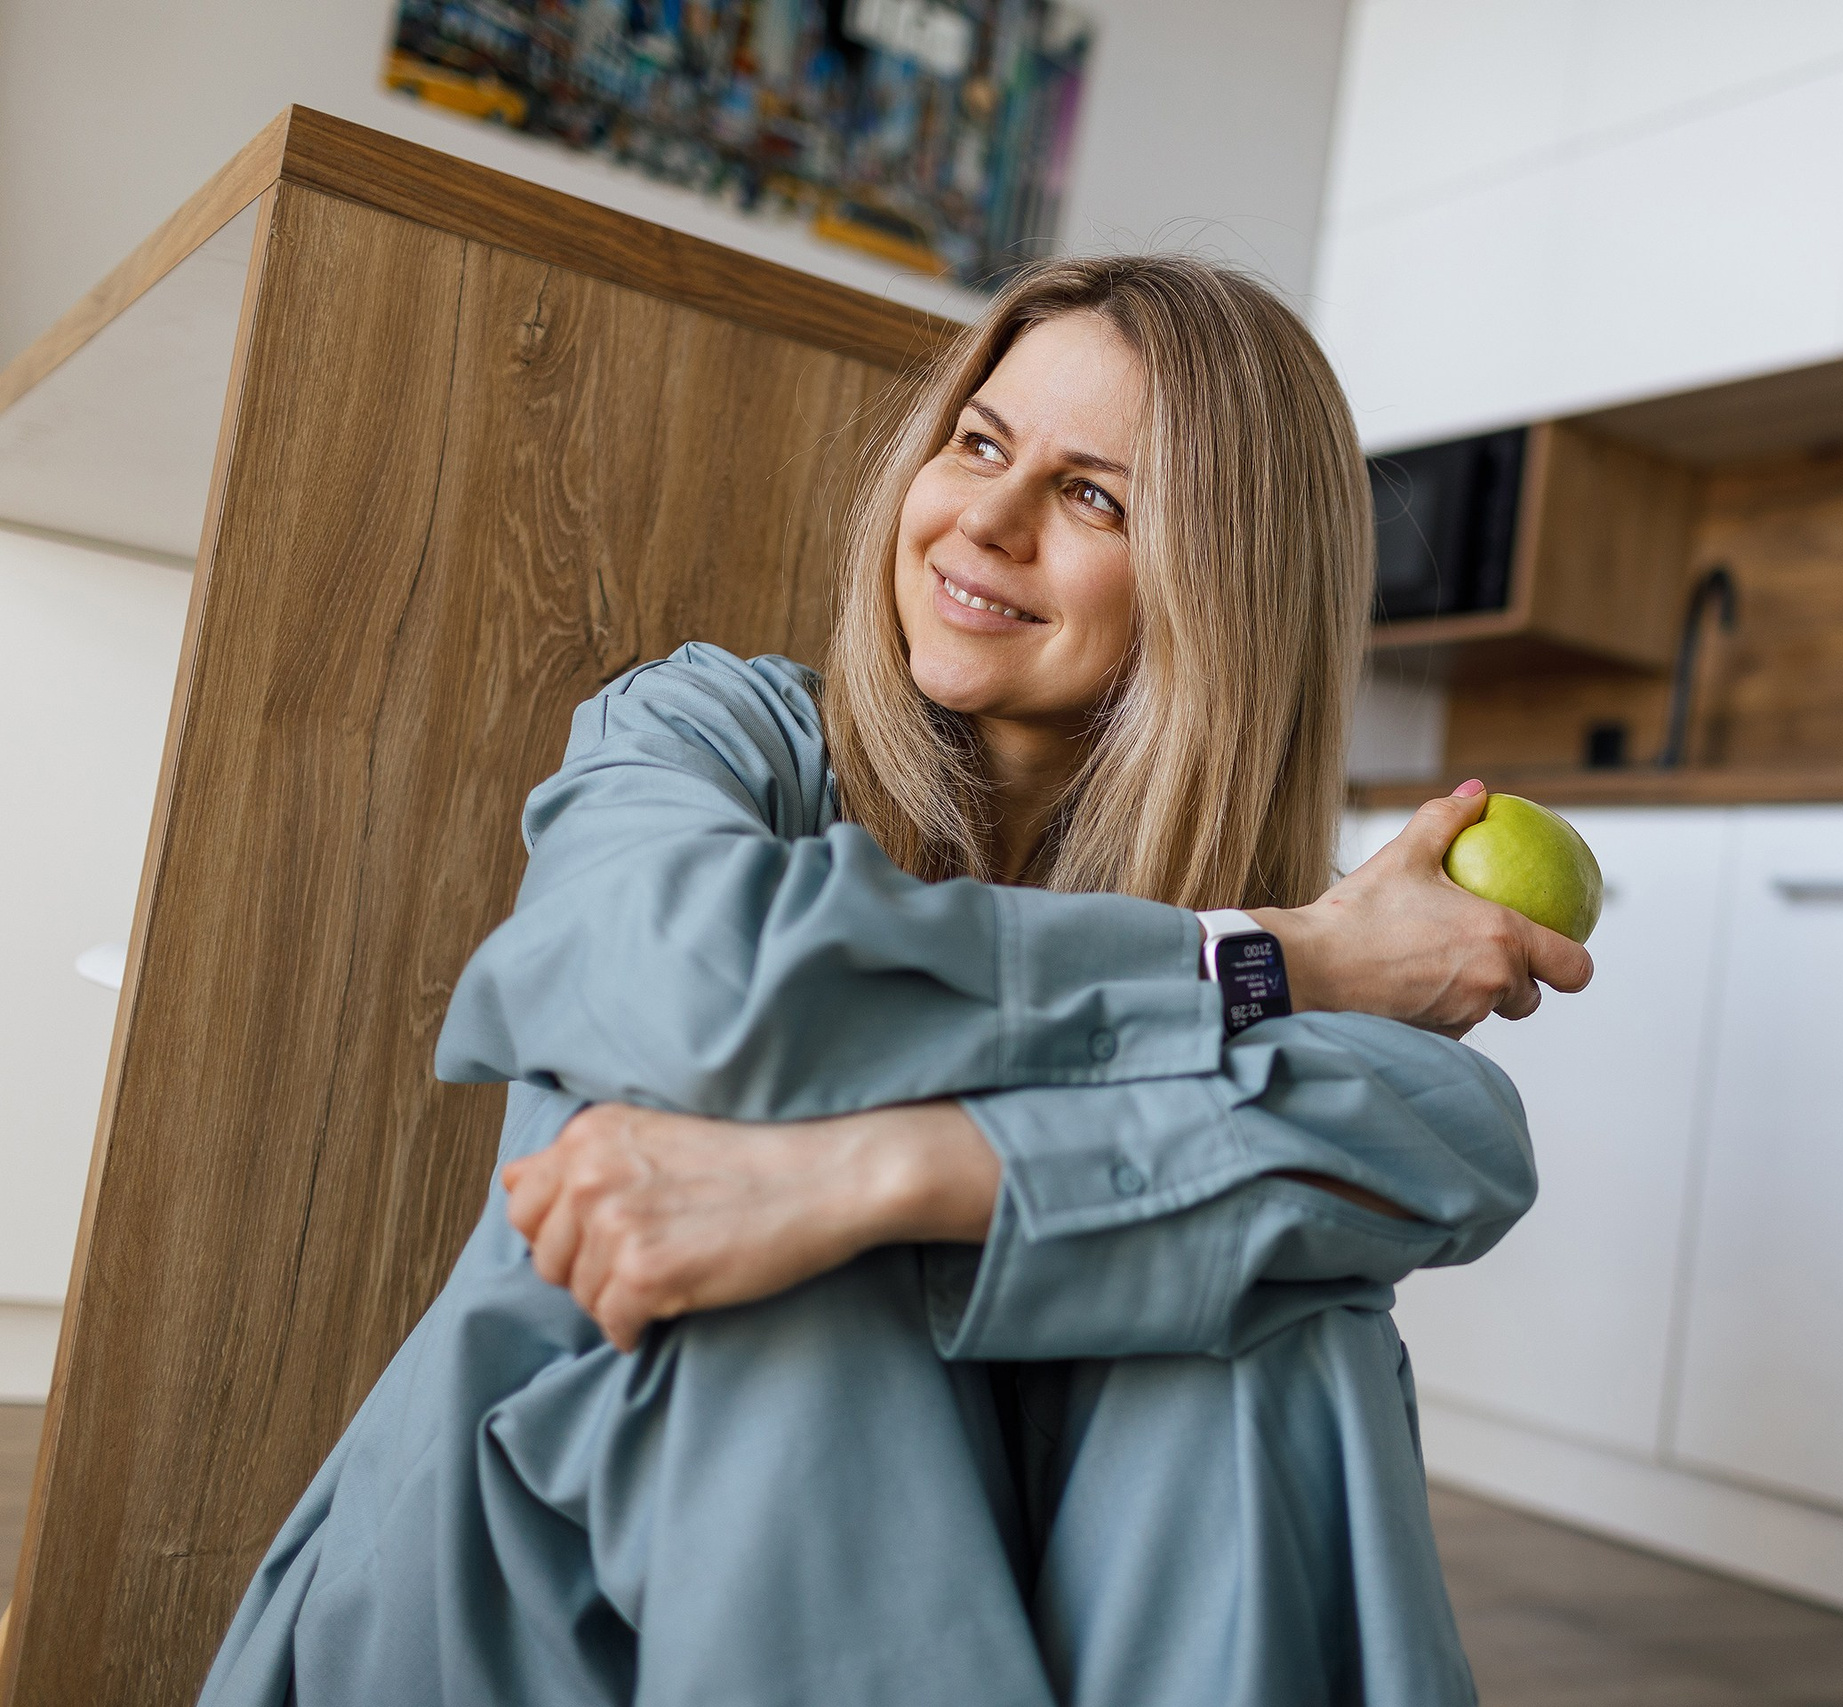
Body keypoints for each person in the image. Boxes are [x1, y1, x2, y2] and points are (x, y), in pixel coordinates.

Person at [199, 254, 1592, 1707]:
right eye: (981, 442)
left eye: (1092, 494)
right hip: (532, 1561)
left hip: (977, 1561)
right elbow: (698, 986)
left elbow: (1453, 1142)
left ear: (1218, 592)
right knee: (799, 1291)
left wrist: (880, 1175)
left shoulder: (1238, 929)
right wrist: (1273, 960)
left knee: (1277, 1326)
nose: (983, 518)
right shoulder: (702, 732)